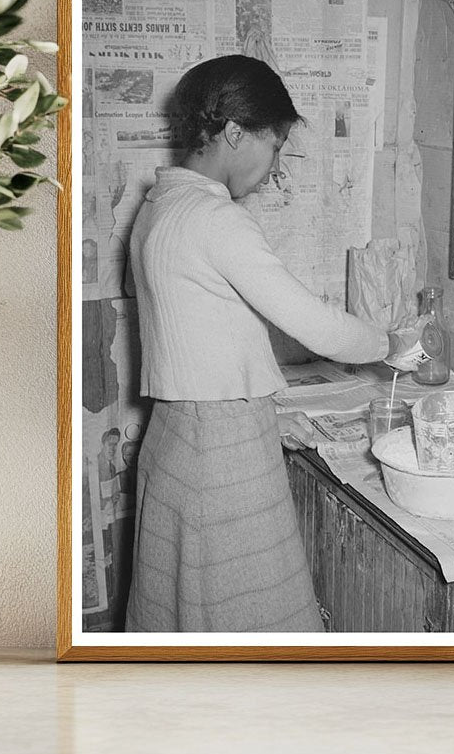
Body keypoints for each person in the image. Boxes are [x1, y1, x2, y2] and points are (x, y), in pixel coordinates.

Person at [125, 54, 392, 633]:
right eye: (274, 148)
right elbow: (317, 324)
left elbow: (212, 326)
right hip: (221, 454)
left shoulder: (159, 208)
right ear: (234, 133)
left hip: (175, 439)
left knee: (187, 620)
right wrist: (388, 342)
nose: (274, 169)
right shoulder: (215, 220)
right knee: (257, 627)